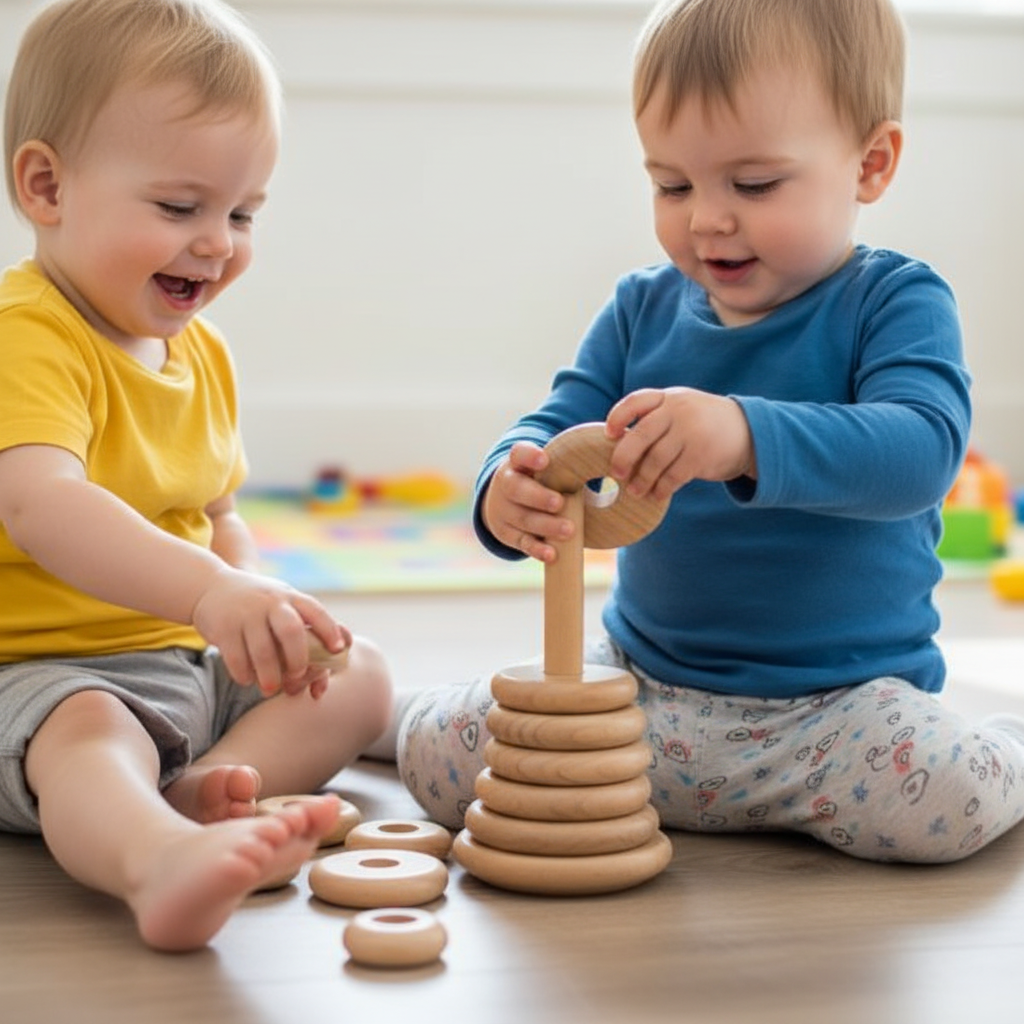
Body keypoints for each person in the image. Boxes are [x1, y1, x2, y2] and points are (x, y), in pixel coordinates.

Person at [392, 0, 1024, 863]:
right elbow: (553, 426)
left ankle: (1010, 745)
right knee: (434, 756)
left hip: (835, 714)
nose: (706, 219)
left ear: (870, 164)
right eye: (672, 184)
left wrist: (742, 436)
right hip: (643, 692)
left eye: (754, 185)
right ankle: (378, 708)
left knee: (944, 803)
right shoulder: (638, 308)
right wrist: (509, 480)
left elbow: (918, 453)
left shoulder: (895, 301)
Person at [0, 0, 392, 951]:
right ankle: (152, 858)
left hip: (180, 662)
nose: (218, 241)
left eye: (243, 211)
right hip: (45, 672)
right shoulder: (27, 336)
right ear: (48, 187)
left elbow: (215, 510)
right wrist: (213, 590)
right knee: (92, 736)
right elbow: (41, 503)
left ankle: (196, 789)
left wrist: (257, 598)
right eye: (180, 208)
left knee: (358, 678)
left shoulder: (200, 352)